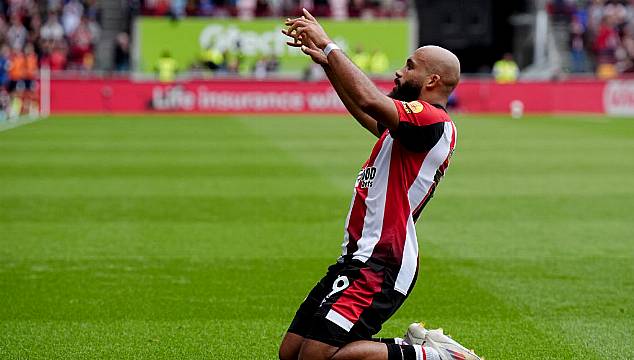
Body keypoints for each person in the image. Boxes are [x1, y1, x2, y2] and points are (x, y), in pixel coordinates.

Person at [278, 9, 480, 360]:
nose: (400, 71)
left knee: (315, 358)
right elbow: (366, 110)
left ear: (432, 81)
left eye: (410, 65)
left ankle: (431, 355)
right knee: (291, 353)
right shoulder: (408, 126)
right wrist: (327, 65)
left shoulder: (432, 120)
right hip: (357, 256)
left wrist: (329, 46)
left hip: (383, 261)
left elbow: (371, 99)